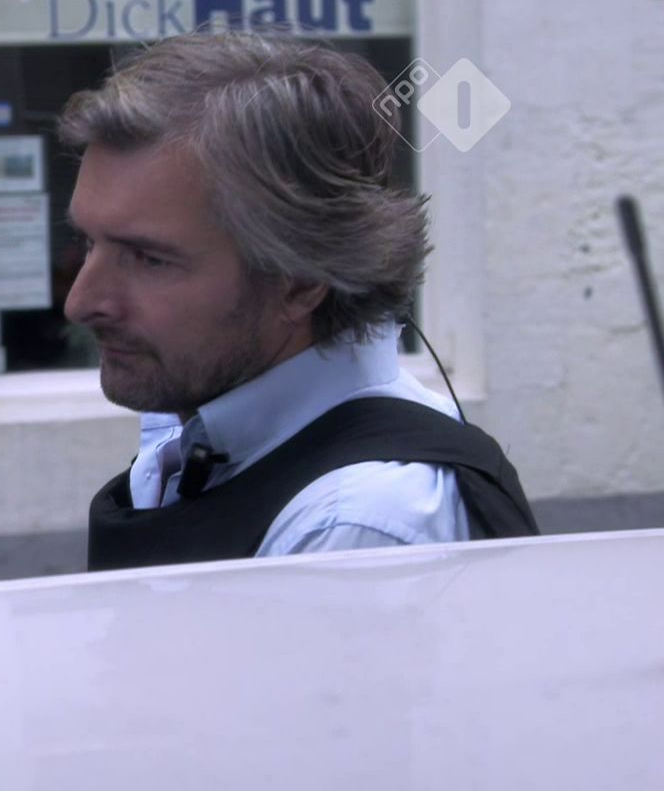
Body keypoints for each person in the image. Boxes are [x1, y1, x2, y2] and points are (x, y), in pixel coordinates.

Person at [61, 31, 539, 571]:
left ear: (300, 281)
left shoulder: (354, 522)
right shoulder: (204, 434)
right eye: (88, 243)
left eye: (149, 259)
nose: (81, 302)